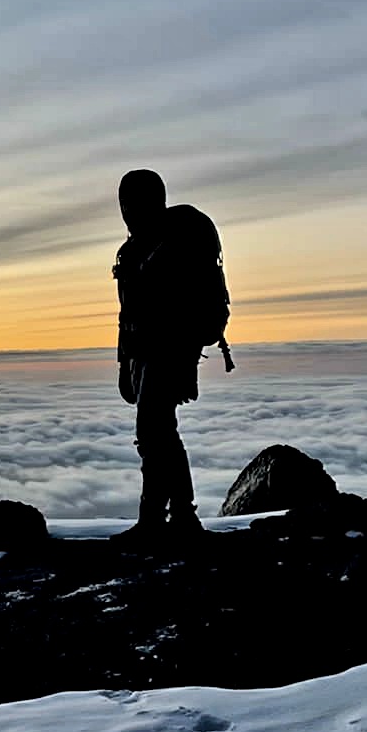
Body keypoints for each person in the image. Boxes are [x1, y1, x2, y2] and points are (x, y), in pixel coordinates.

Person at [112, 169, 231, 545]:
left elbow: (176, 306)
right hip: (144, 354)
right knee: (158, 435)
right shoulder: (136, 247)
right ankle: (176, 516)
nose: (128, 209)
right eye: (125, 201)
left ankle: (164, 519)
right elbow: (128, 312)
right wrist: (124, 364)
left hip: (169, 351)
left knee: (154, 434)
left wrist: (177, 356)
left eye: (133, 200)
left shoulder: (175, 241)